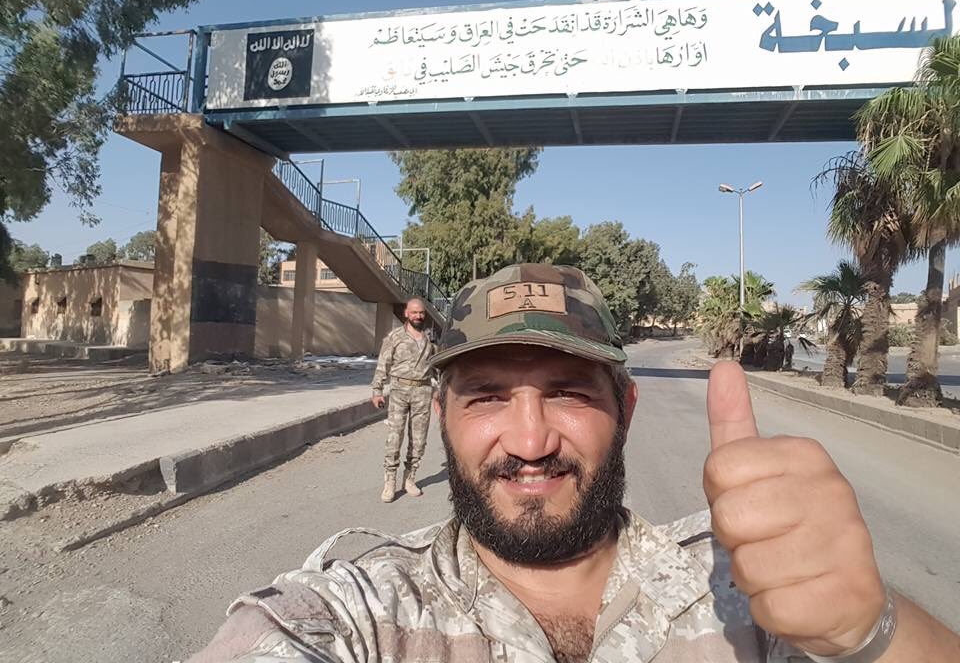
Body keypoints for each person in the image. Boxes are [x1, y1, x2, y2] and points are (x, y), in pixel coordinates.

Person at [189, 264, 960, 662]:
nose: (530, 441)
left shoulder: (745, 599)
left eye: (567, 393)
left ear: (624, 410)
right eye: (487, 398)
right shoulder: (362, 615)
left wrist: (874, 632)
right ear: (442, 421)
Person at [370, 296, 436, 503]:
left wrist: (443, 391)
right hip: (399, 390)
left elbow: (437, 368)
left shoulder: (429, 339)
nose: (418, 316)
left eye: (421, 312)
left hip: (423, 392)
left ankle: (410, 478)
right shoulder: (395, 337)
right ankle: (390, 481)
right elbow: (383, 364)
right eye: (414, 312)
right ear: (406, 314)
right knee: (395, 436)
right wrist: (377, 390)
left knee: (418, 439)